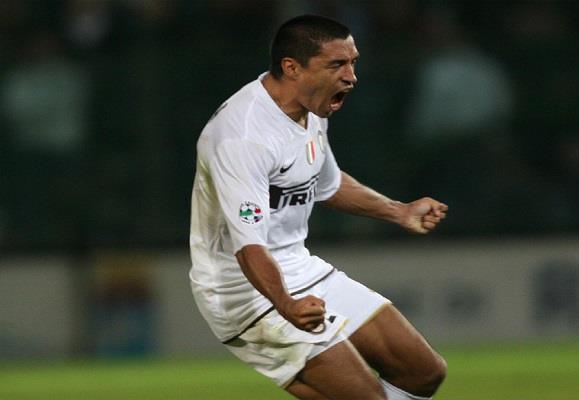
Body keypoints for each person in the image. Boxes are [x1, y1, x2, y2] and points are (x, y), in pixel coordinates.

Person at [189, 15, 448, 400]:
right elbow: (248, 245)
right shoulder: (243, 137)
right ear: (292, 67)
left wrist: (399, 211)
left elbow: (328, 184)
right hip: (243, 290)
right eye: (336, 64)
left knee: (423, 371)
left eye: (353, 62)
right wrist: (285, 304)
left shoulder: (310, 110)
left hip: (299, 268)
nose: (351, 76)